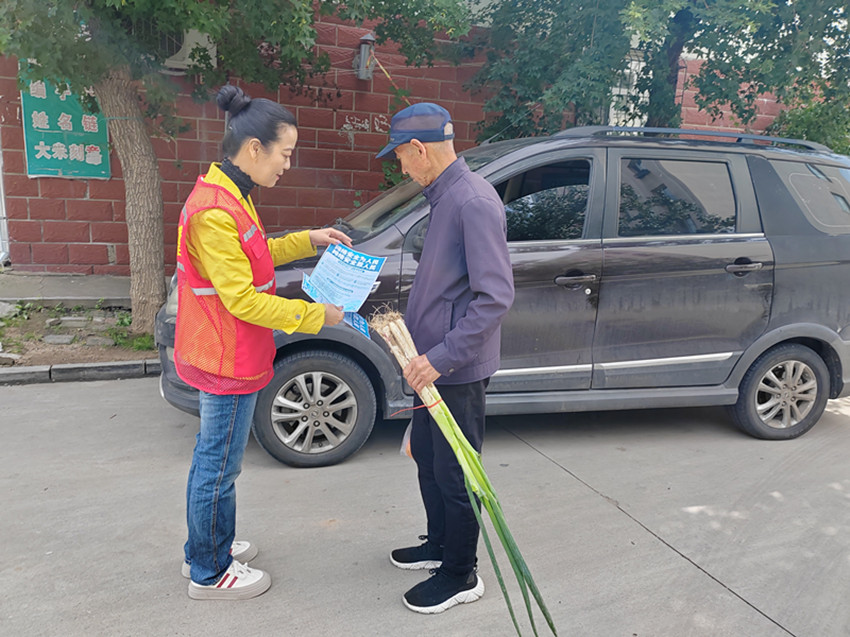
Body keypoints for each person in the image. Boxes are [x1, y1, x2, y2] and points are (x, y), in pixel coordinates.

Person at [175, 84, 351, 600]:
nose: (287, 165)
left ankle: (206, 550)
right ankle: (210, 572)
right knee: (218, 466)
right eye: (285, 153)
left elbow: (256, 252)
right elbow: (243, 301)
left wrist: (308, 239)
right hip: (225, 356)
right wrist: (317, 316)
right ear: (255, 149)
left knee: (215, 463)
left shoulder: (231, 196)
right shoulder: (215, 210)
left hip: (230, 350)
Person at [376, 103, 515, 614]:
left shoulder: (473, 201)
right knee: (430, 463)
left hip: (453, 368)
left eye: (402, 158)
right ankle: (439, 545)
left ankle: (461, 573)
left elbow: (494, 297)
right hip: (427, 362)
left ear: (420, 149)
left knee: (455, 472)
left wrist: (443, 356)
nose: (401, 168)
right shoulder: (444, 196)